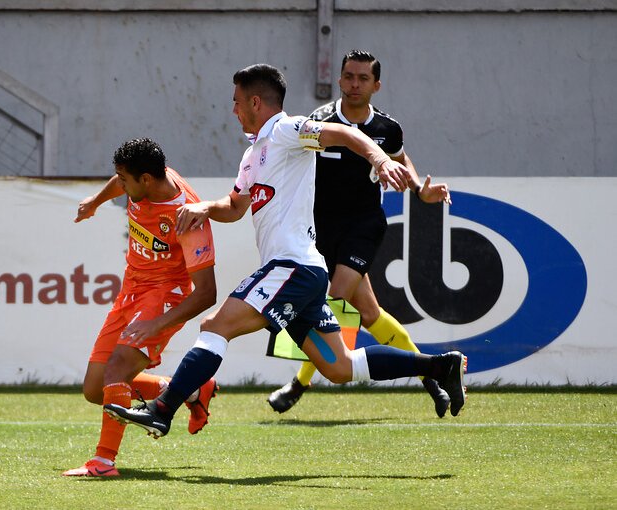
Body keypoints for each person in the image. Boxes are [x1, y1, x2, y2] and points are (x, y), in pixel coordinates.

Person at [104, 64, 467, 440]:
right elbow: (234, 207)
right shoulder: (252, 156)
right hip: (303, 273)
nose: (233, 110)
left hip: (291, 267)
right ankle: (440, 366)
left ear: (255, 102)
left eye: (236, 102)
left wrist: (380, 159)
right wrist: (205, 208)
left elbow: (342, 132)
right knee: (339, 367)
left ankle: (163, 409)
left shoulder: (286, 130)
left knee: (215, 326)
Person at [267, 50, 454, 417]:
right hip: (319, 229)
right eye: (348, 76)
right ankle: (433, 377)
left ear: (376, 85)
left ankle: (298, 384)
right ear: (339, 80)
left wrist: (419, 188)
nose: (354, 84)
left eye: (362, 78)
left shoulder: (387, 128)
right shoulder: (319, 122)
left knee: (333, 295)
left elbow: (401, 159)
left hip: (364, 226)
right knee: (369, 313)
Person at [62, 138, 219, 477]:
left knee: (117, 369)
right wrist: (95, 202)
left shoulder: (186, 217)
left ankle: (103, 463)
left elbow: (207, 293)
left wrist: (157, 323)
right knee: (94, 388)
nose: (120, 184)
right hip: (132, 288)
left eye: (124, 179)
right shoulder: (142, 182)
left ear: (146, 179)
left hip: (165, 295)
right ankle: (187, 388)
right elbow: (120, 182)